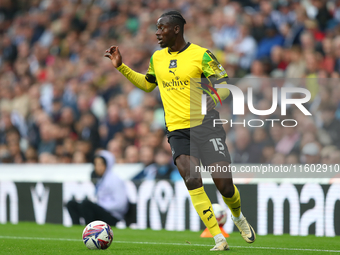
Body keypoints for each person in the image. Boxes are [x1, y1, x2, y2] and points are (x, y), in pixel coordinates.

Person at [105, 11, 256, 251]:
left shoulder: (201, 55)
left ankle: (237, 216)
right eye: (156, 28)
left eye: (161, 28)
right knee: (192, 179)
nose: (157, 33)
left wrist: (215, 99)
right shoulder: (157, 58)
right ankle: (218, 238)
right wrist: (122, 67)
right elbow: (147, 84)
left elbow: (226, 85)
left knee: (224, 186)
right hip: (177, 130)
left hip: (207, 128)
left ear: (176, 29)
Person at [67, 150, 129, 226]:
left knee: (86, 204)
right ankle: (76, 228)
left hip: (112, 216)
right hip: (102, 211)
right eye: (96, 164)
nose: (97, 167)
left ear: (107, 164)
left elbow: (121, 204)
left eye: (100, 164)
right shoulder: (102, 179)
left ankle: (90, 230)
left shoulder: (114, 179)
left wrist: (101, 205)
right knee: (71, 204)